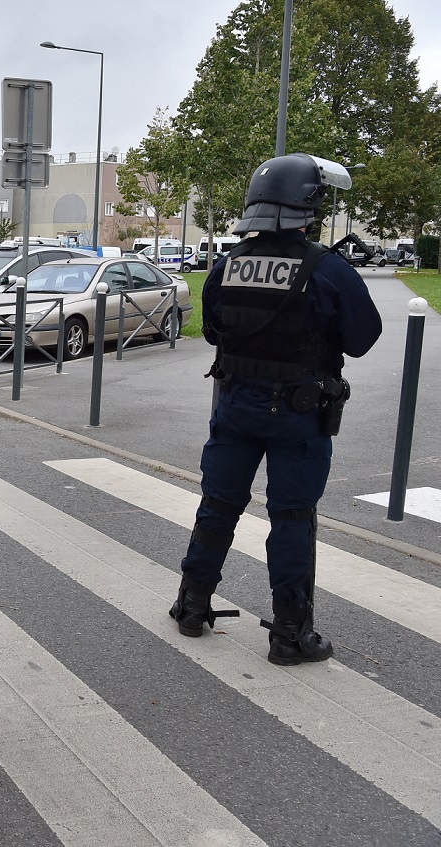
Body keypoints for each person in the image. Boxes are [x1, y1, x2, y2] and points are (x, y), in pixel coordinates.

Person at [170, 153, 381, 665]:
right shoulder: (327, 269)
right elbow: (363, 339)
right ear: (309, 204)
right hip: (298, 415)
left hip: (236, 407)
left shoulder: (228, 264)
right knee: (290, 518)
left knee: (217, 507)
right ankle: (290, 635)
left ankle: (192, 606)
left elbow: (216, 332)